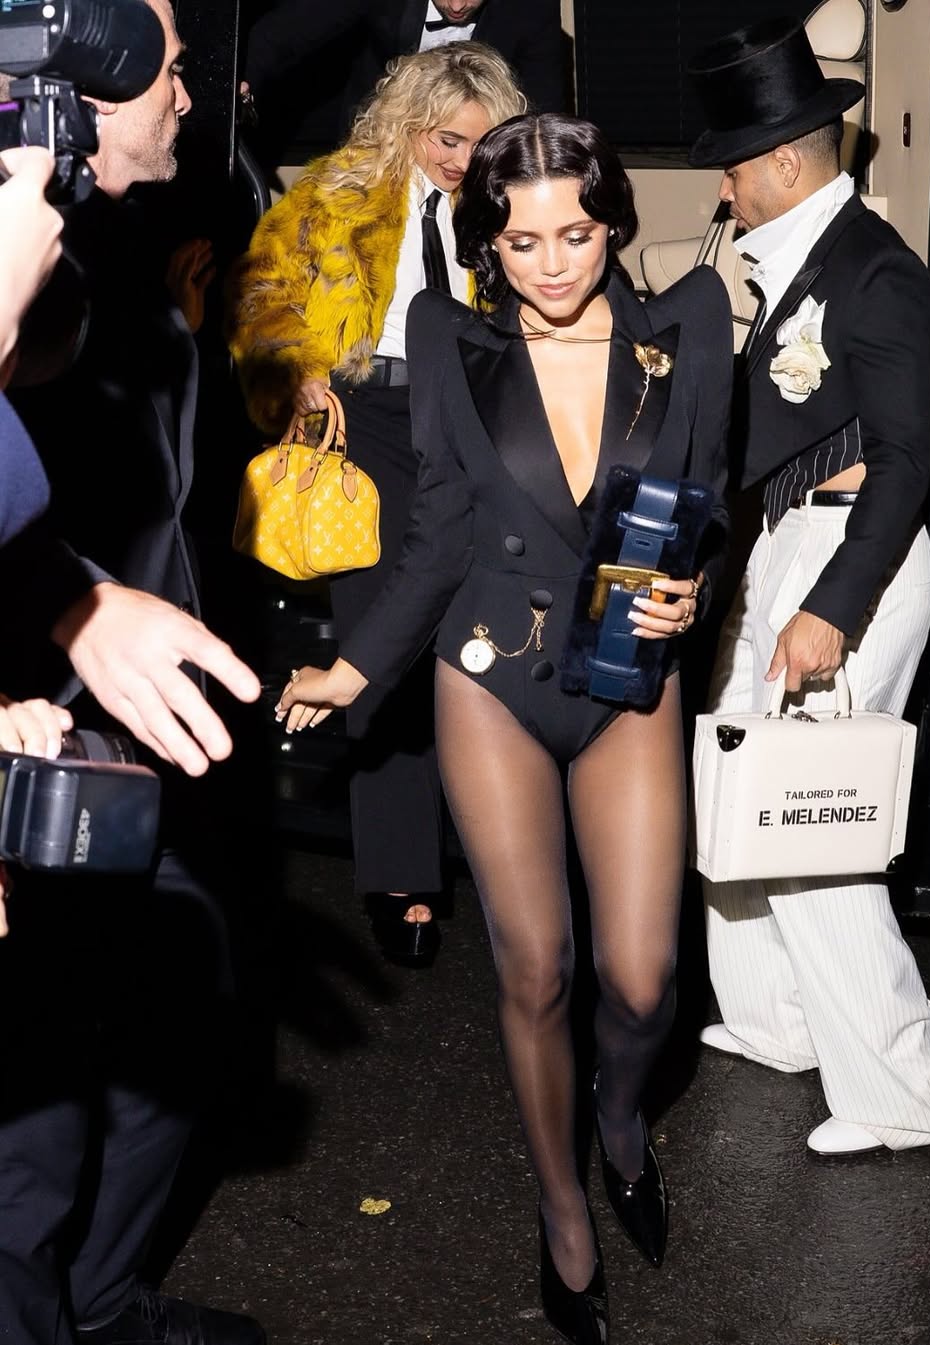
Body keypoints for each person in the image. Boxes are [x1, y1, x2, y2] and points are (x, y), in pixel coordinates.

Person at [275, 110, 732, 1344]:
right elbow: (437, 532)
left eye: (574, 233)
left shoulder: (686, 328)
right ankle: (562, 1209)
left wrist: (696, 588)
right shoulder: (449, 338)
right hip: (490, 675)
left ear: (612, 223)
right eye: (521, 241)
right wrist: (353, 670)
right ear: (489, 242)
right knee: (537, 966)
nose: (551, 262)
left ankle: (621, 1115)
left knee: (643, 979)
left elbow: (709, 502)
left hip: (625, 671)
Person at [0, 2, 267, 1341]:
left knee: (179, 1005)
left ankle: (102, 1303)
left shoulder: (102, 233)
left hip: (142, 678)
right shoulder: (25, 243)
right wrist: (63, 616)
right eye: (167, 66)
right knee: (38, 1098)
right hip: (40, 712)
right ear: (84, 85)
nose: (190, 95)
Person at [690, 17, 930, 1156]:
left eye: (734, 165)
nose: (723, 185)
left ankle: (906, 1090)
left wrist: (830, 610)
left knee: (813, 819)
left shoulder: (874, 270)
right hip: (787, 542)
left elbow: (905, 463)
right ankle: (780, 1019)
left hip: (857, 557)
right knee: (737, 778)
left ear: (783, 163)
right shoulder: (797, 260)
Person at [227, 42, 525, 964]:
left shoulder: (513, 201)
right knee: (378, 636)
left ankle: (514, 857)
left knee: (480, 640)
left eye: (478, 143)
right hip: (371, 415)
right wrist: (298, 370)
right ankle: (402, 874)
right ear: (408, 123)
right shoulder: (337, 194)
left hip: (478, 416)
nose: (460, 160)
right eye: (445, 139)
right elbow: (261, 297)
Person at [242, 0, 564, 156]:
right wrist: (241, 83)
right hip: (379, 142)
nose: (457, 6)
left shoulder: (532, 9)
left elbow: (544, 113)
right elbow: (284, 33)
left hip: (475, 153)